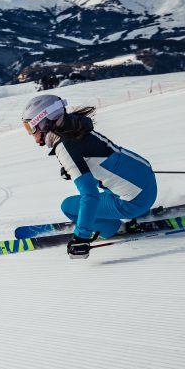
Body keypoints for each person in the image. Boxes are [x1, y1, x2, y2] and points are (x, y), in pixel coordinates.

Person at [21, 94, 157, 259]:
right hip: (146, 181)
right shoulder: (75, 125)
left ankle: (116, 228)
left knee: (68, 207)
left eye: (30, 127)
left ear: (44, 122)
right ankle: (136, 214)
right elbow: (98, 157)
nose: (30, 134)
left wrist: (81, 238)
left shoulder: (64, 147)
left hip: (133, 203)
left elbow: (90, 195)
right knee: (108, 189)